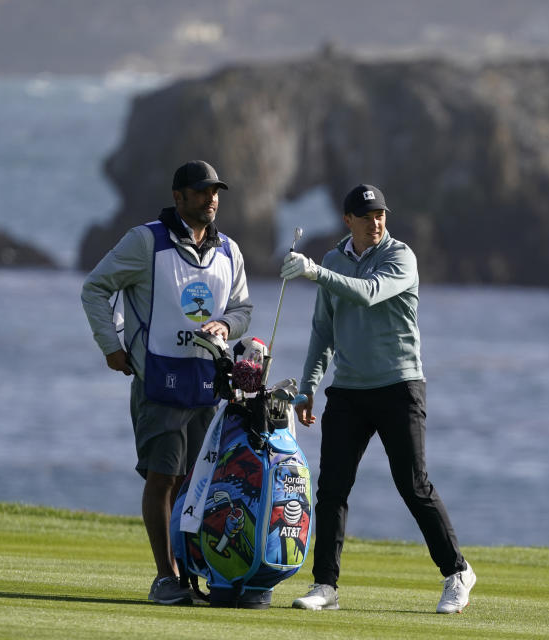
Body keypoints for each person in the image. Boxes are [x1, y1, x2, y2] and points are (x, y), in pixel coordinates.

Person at [280, 183, 476, 614]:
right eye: (367, 216)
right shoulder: (334, 259)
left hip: (399, 386)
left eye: (381, 215)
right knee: (331, 488)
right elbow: (323, 331)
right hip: (348, 390)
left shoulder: (399, 257)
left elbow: (367, 293)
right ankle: (324, 585)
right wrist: (308, 386)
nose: (377, 222)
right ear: (347, 220)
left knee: (413, 485)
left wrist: (314, 273)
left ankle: (457, 573)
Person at [81, 160, 252, 605]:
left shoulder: (229, 251)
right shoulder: (146, 241)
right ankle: (165, 577)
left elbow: (242, 308)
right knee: (163, 477)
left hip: (206, 385)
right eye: (200, 191)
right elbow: (96, 288)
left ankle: (190, 576)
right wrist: (111, 345)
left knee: (195, 484)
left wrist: (226, 328)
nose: (210, 199)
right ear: (178, 197)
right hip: (158, 379)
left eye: (215, 191)